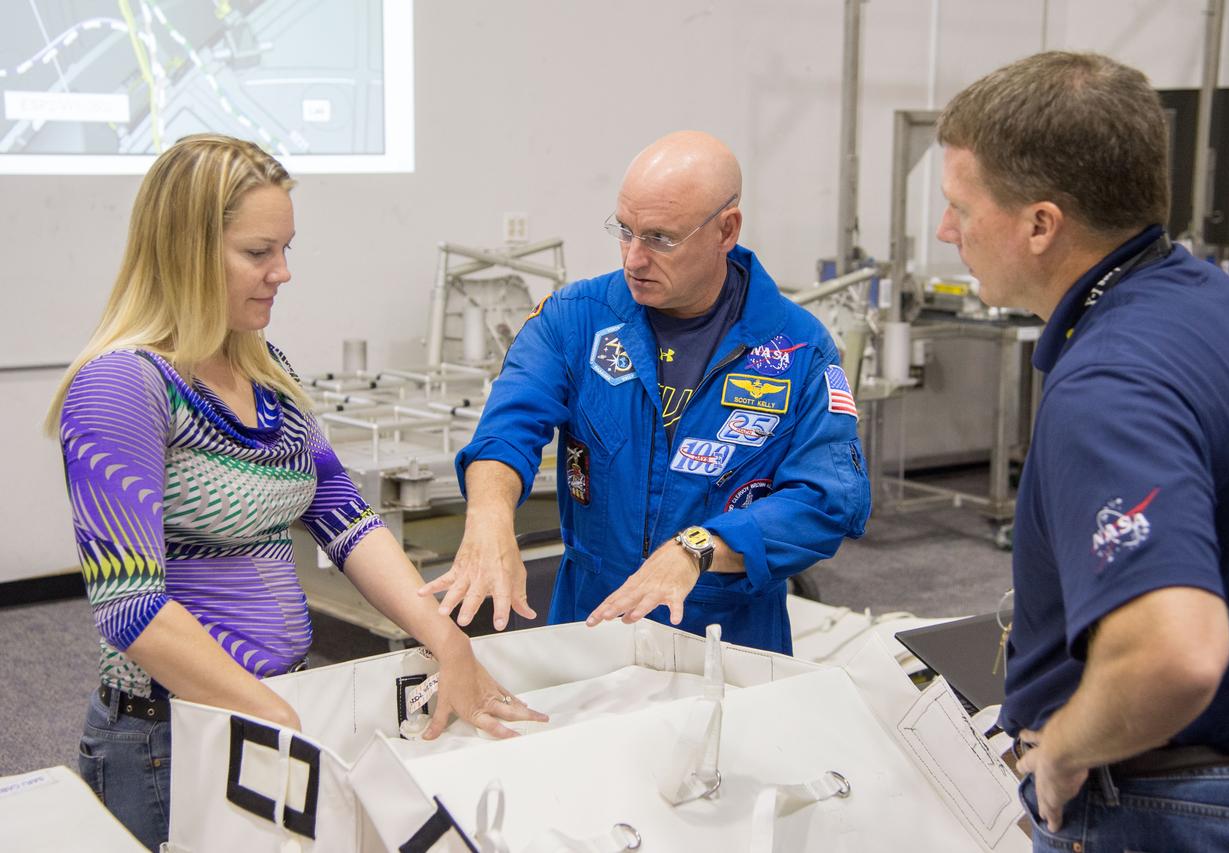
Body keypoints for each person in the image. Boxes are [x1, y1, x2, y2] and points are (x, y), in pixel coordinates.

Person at [45, 134, 545, 851]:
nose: (282, 273)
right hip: (173, 734)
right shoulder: (121, 385)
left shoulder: (267, 370)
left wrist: (446, 639)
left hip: (273, 708)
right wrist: (284, 719)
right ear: (186, 248)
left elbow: (345, 517)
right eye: (258, 252)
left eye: (287, 248)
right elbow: (132, 607)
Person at [935, 52, 1229, 851]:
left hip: (1164, 802)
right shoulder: (1220, 306)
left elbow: (1176, 651)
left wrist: (1059, 753)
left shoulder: (1108, 382)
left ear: (1041, 224)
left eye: (960, 207)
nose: (949, 232)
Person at [421, 131, 871, 653]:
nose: (634, 259)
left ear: (727, 230)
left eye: (660, 238)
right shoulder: (577, 319)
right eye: (625, 231)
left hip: (726, 644)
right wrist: (489, 517)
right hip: (589, 629)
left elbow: (826, 501)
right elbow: (507, 430)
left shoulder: (798, 349)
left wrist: (698, 548)